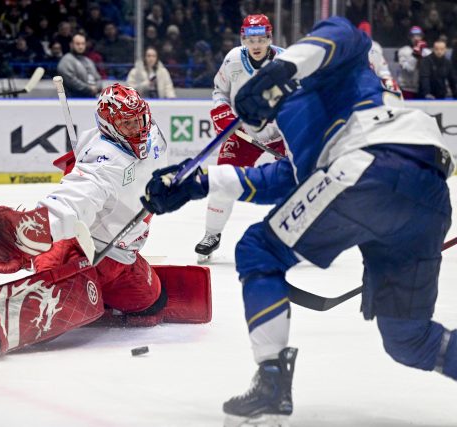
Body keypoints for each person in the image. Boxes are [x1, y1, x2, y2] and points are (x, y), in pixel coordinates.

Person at [141, 16, 456, 426]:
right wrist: (199, 182)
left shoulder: (328, 66)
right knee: (408, 339)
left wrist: (280, 72)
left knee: (258, 250)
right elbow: (293, 181)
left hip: (371, 165)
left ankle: (271, 383)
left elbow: (345, 33)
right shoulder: (294, 117)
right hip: (425, 193)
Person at [0, 84, 211, 357]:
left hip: (121, 257)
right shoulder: (106, 163)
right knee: (59, 299)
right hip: (85, 249)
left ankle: (90, 296)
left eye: (140, 120)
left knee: (152, 305)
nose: (138, 129)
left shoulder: (153, 135)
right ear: (110, 127)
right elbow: (75, 199)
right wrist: (33, 227)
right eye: (127, 125)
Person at [194, 14, 286, 263]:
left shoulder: (286, 62)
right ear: (243, 38)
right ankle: (212, 234)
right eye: (250, 39)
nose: (256, 45)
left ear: (269, 38)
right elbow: (219, 92)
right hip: (245, 133)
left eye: (261, 39)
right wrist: (222, 114)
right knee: (222, 181)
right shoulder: (233, 59)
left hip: (282, 133)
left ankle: (293, 236)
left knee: (299, 182)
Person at [358, 21, 400, 94]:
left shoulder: (375, 47)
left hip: (373, 88)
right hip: (357, 89)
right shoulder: (352, 48)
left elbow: (383, 70)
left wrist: (388, 81)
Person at [56, 33, 102, 98]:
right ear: (71, 45)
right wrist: (90, 89)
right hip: (74, 101)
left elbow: (98, 78)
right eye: (77, 44)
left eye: (83, 44)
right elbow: (71, 82)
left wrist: (97, 87)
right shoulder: (66, 61)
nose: (80, 46)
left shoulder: (88, 61)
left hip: (92, 100)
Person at [397, 26, 431, 99]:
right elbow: (409, 69)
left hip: (422, 88)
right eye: (413, 36)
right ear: (410, 37)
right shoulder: (403, 51)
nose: (416, 38)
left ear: (422, 37)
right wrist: (415, 54)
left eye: (418, 35)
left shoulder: (427, 52)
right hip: (407, 88)